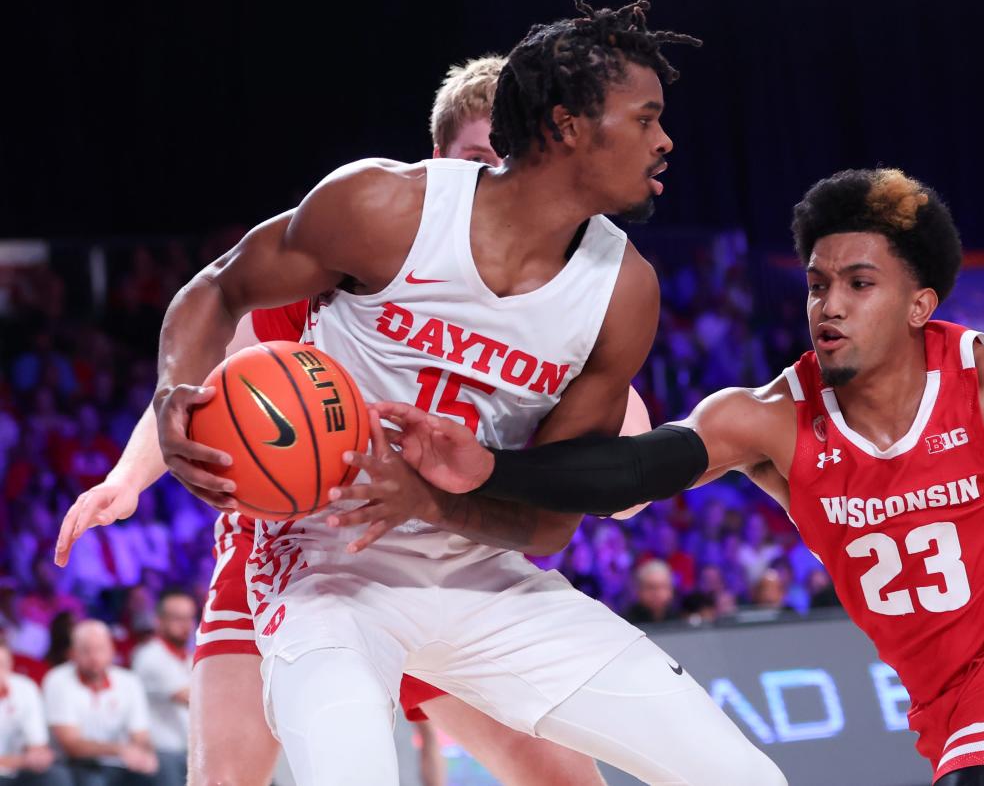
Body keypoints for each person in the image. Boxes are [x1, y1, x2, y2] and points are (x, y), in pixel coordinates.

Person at [379, 168, 984, 785]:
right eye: (817, 281)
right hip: (946, 706)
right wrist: (491, 466)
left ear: (919, 304)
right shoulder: (766, 417)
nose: (827, 302)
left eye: (858, 283)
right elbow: (633, 468)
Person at [151, 0, 782, 786]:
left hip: (488, 577)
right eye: (646, 116)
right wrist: (174, 390)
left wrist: (433, 500)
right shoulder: (384, 207)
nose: (666, 140)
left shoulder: (623, 290)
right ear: (568, 126)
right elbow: (216, 290)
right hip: (327, 568)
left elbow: (549, 526)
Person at [55, 55, 613, 785]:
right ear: (438, 160)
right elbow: (216, 374)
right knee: (222, 779)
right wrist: (129, 476)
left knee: (569, 779)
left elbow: (615, 412)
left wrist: (622, 476)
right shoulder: (362, 251)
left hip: (437, 560)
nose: (492, 180)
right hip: (297, 550)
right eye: (477, 158)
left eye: (508, 161)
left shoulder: (553, 290)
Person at [42, 621, 157, 785]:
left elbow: (141, 734)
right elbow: (71, 745)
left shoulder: (130, 681)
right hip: (72, 764)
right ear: (73, 653)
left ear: (112, 650)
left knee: (155, 773)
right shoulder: (57, 680)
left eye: (100, 649)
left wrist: (145, 753)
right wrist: (120, 750)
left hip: (120, 763)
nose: (94, 657)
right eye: (86, 650)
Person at [130, 591, 195, 786]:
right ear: (159, 621)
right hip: (162, 751)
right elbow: (192, 699)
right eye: (177, 618)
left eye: (189, 617)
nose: (185, 625)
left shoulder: (192, 657)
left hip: (190, 750)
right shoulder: (149, 656)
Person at [0, 639, 67, 786]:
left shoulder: (25, 688)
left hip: (19, 770)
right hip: (15, 766)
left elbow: (37, 743)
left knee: (57, 776)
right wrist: (22, 760)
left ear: (10, 665)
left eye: (2, 665)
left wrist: (38, 755)